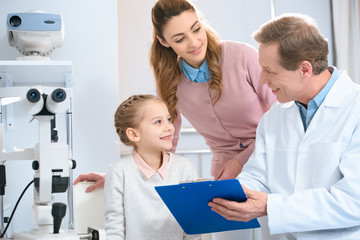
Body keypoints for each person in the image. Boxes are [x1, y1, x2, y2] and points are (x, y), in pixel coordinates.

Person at [74, 0, 276, 239]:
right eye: (180, 39)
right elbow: (166, 141)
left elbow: (280, 118)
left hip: (268, 159)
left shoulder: (242, 56)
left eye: (196, 29)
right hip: (224, 176)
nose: (194, 42)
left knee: (273, 231)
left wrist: (241, 160)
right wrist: (125, 174)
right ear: (164, 41)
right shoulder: (171, 80)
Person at [208, 14, 360, 239]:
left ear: (305, 69)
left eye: (270, 70)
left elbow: (353, 202)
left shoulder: (354, 109)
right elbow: (258, 175)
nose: (262, 80)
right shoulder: (275, 116)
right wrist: (228, 195)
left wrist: (271, 206)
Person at [104, 94, 200, 240]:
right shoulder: (119, 171)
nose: (169, 127)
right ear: (134, 134)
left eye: (168, 119)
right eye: (158, 122)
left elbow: (192, 227)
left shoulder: (185, 168)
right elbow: (114, 227)